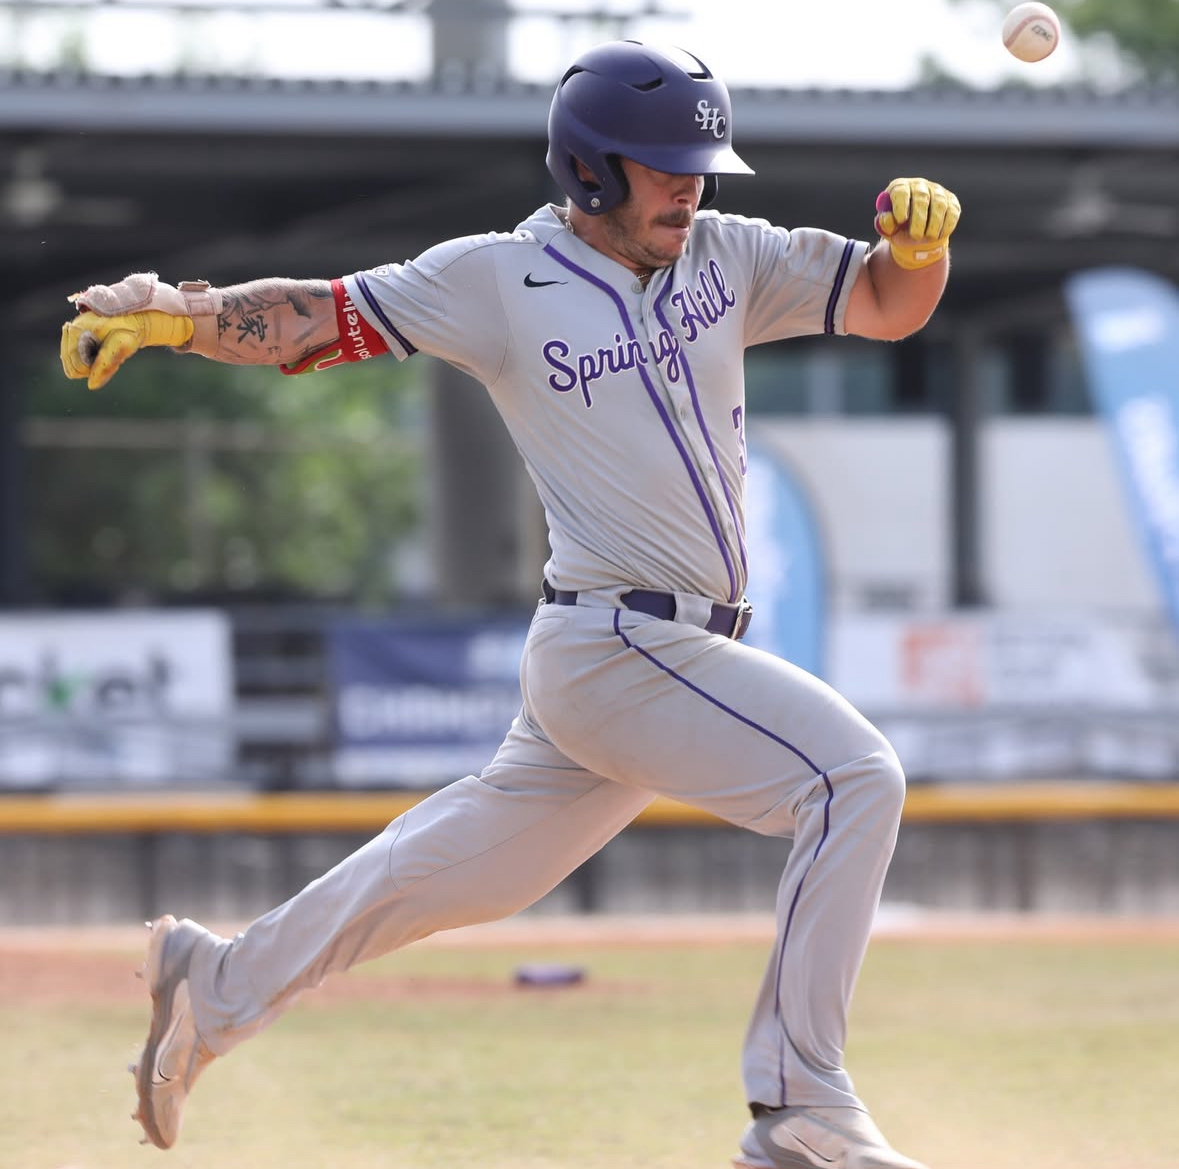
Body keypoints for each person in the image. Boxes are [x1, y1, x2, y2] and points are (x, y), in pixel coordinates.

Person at [60, 40, 960, 1169]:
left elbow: (884, 304)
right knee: (852, 775)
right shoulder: (496, 278)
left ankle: (217, 981)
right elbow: (312, 314)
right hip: (617, 641)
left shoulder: (728, 254)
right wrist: (173, 316)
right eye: (665, 163)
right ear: (590, 171)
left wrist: (917, 252)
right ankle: (799, 1102)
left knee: (441, 879)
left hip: (647, 653)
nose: (693, 182)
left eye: (702, 160)